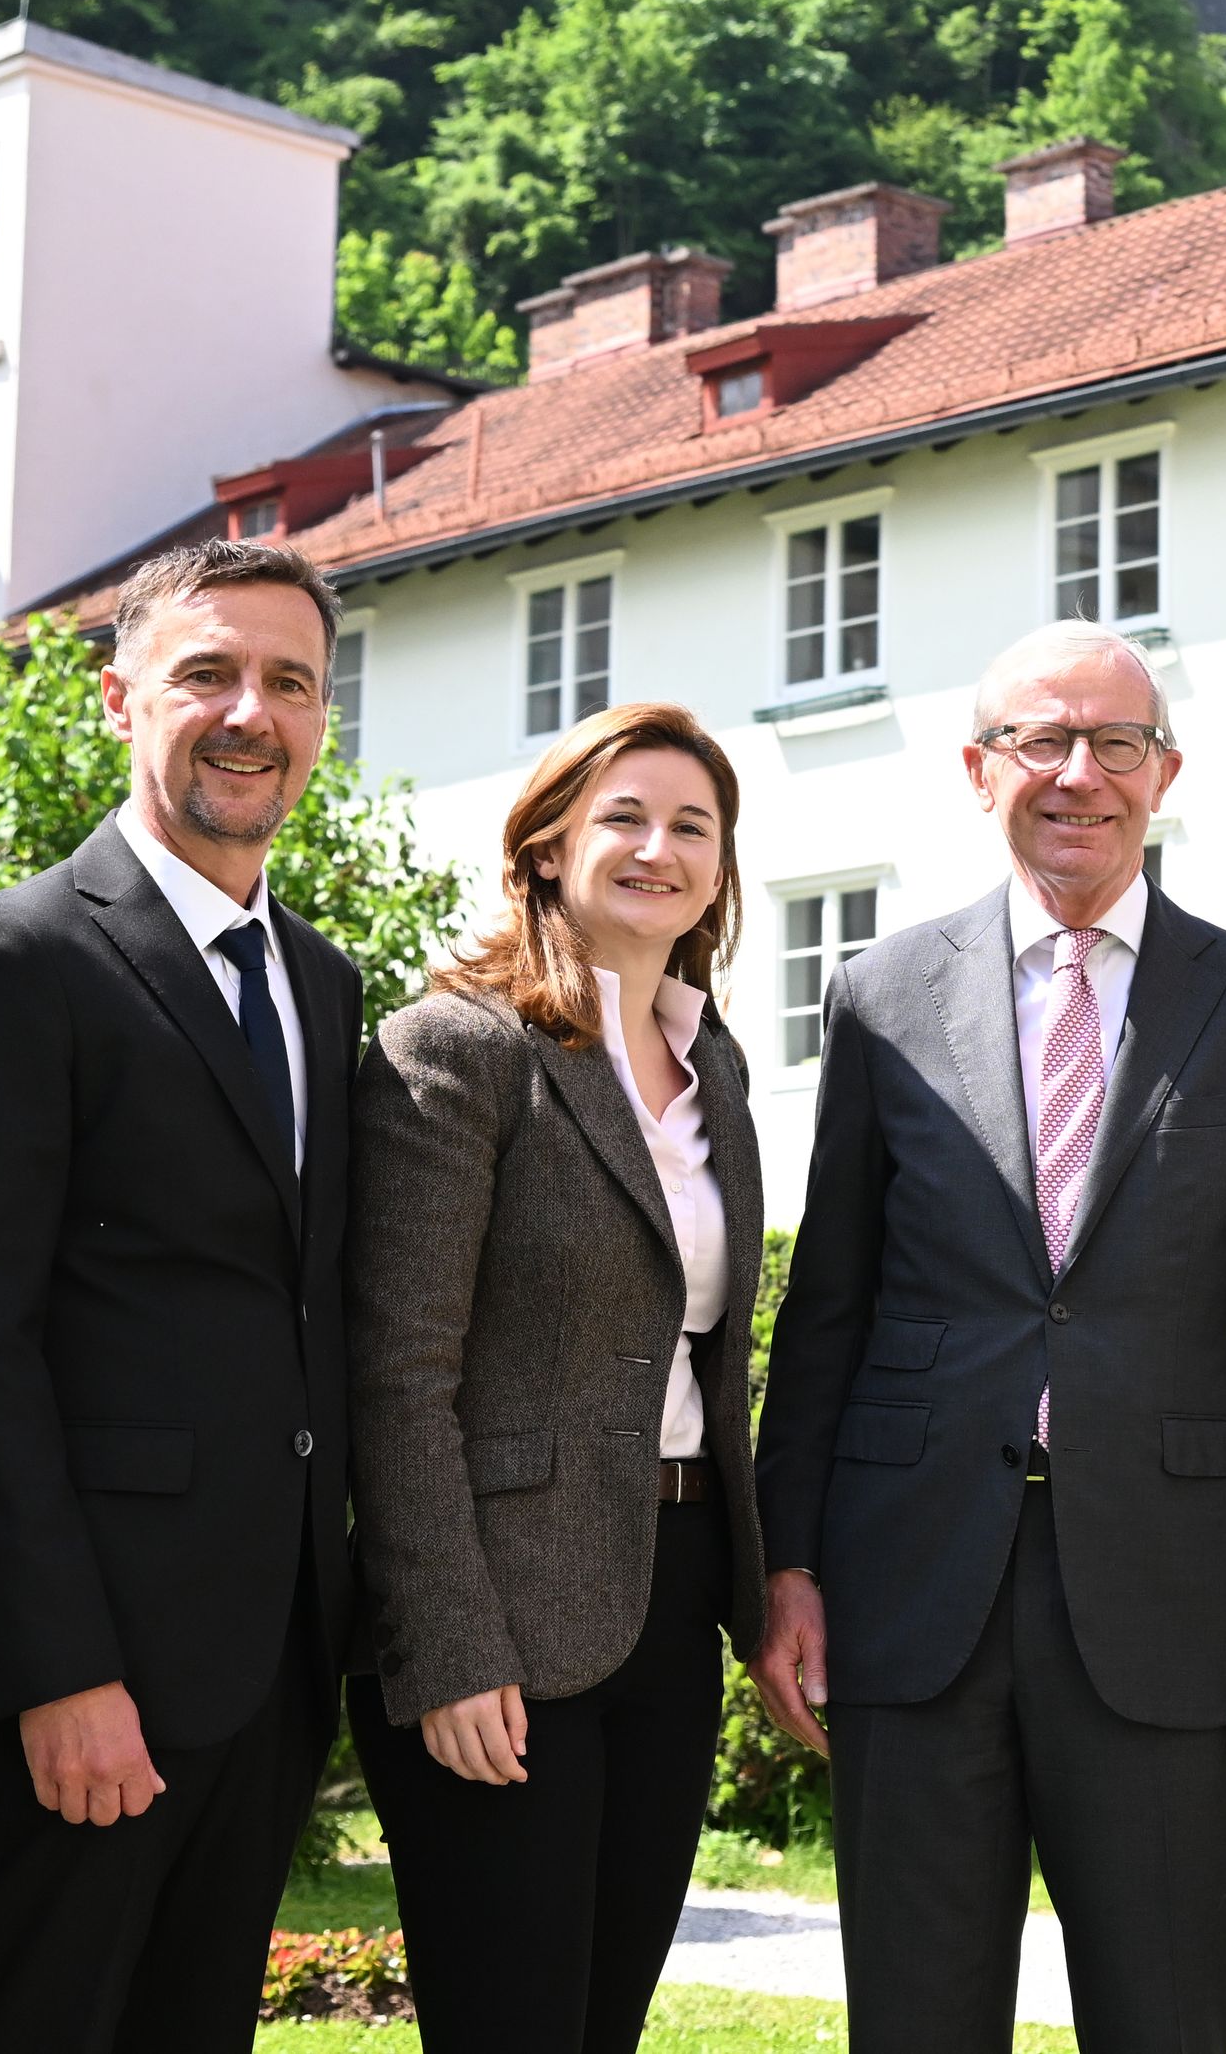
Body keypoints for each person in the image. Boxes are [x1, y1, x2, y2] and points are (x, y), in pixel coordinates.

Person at [751, 620, 1226, 2054]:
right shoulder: (882, 993)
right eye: (1042, 738)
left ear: (1166, 772)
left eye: (1117, 743)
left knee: (1162, 2017)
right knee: (914, 2015)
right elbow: (827, 1304)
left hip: (1173, 1596)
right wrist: (788, 1560)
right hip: (912, 1587)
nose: (1079, 773)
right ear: (980, 768)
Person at [0, 537, 364, 2054]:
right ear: (118, 698)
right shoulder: (12, 956)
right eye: (207, 672)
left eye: (289, 681)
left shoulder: (324, 980)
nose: (250, 712)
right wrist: (56, 1668)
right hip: (84, 1670)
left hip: (269, 1657)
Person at [347, 702, 767, 2054]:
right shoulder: (457, 1047)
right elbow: (397, 1376)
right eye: (624, 817)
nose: (660, 847)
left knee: (605, 2023)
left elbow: (713, 1345)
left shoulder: (718, 1067)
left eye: (692, 825)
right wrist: (448, 1648)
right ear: (543, 849)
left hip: (675, 1586)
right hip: (504, 1614)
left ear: (721, 866)